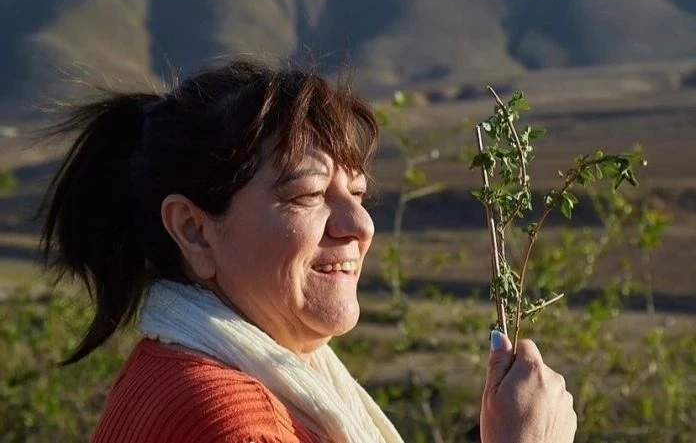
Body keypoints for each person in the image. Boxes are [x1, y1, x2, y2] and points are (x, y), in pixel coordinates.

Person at [39, 59, 576, 443]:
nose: (358, 224)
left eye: (358, 194)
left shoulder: (205, 375)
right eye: (308, 195)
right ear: (195, 231)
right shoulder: (232, 424)